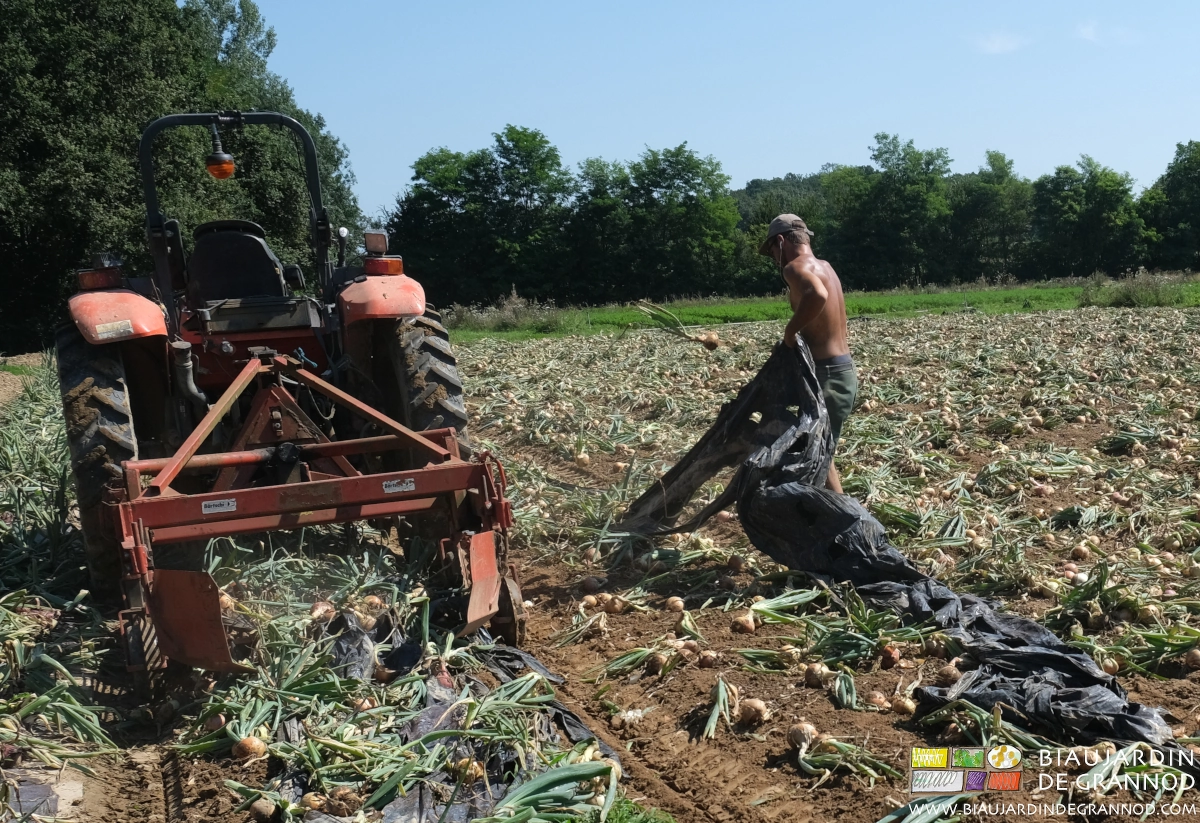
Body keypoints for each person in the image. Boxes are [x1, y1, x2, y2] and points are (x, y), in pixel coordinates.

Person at [759, 214, 857, 494]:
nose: (774, 259)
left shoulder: (794, 268)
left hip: (827, 376)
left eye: (772, 252)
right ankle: (834, 512)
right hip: (844, 372)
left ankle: (845, 521)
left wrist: (790, 334)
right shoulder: (827, 267)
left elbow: (817, 296)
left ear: (781, 241)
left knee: (816, 454)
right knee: (821, 452)